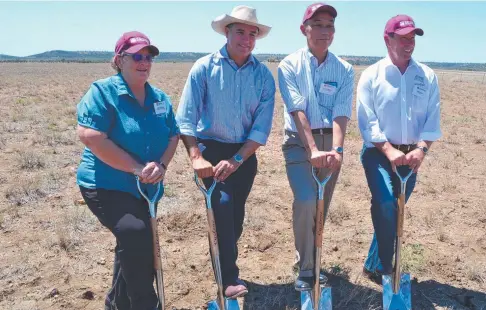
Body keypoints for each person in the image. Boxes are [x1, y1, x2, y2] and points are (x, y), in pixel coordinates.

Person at [175, 5, 275, 299]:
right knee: (222, 204)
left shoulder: (263, 76)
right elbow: (186, 118)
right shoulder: (204, 68)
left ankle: (223, 257)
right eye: (240, 31)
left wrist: (237, 160)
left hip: (244, 153)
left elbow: (260, 128)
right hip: (210, 149)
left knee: (235, 216)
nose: (246, 38)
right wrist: (196, 157)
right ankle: (228, 277)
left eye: (252, 33)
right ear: (227, 32)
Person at [76, 31, 179, 310]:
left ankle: (117, 303)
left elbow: (173, 135)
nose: (144, 62)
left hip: (146, 188)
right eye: (137, 56)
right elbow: (90, 136)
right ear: (119, 60)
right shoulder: (102, 92)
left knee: (134, 244)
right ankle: (146, 304)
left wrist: (162, 165)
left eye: (148, 57)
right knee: (135, 235)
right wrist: (136, 168)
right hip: (105, 184)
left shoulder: (159, 97)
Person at [356, 15, 442, 284]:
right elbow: (366, 119)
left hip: (411, 157)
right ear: (387, 39)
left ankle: (373, 263)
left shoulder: (426, 76)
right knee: (384, 202)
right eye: (403, 38)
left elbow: (432, 117)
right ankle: (386, 269)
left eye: (412, 38)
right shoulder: (372, 75)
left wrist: (421, 150)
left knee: (394, 210)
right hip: (378, 154)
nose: (409, 44)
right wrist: (388, 150)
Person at [277, 2, 354, 291]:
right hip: (299, 142)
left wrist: (337, 151)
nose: (325, 31)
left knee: (321, 205)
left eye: (330, 26)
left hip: (330, 143)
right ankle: (306, 268)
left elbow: (341, 111)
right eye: (318, 25)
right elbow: (297, 110)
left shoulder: (344, 69)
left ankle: (316, 259)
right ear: (304, 29)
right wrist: (312, 150)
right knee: (307, 201)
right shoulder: (289, 66)